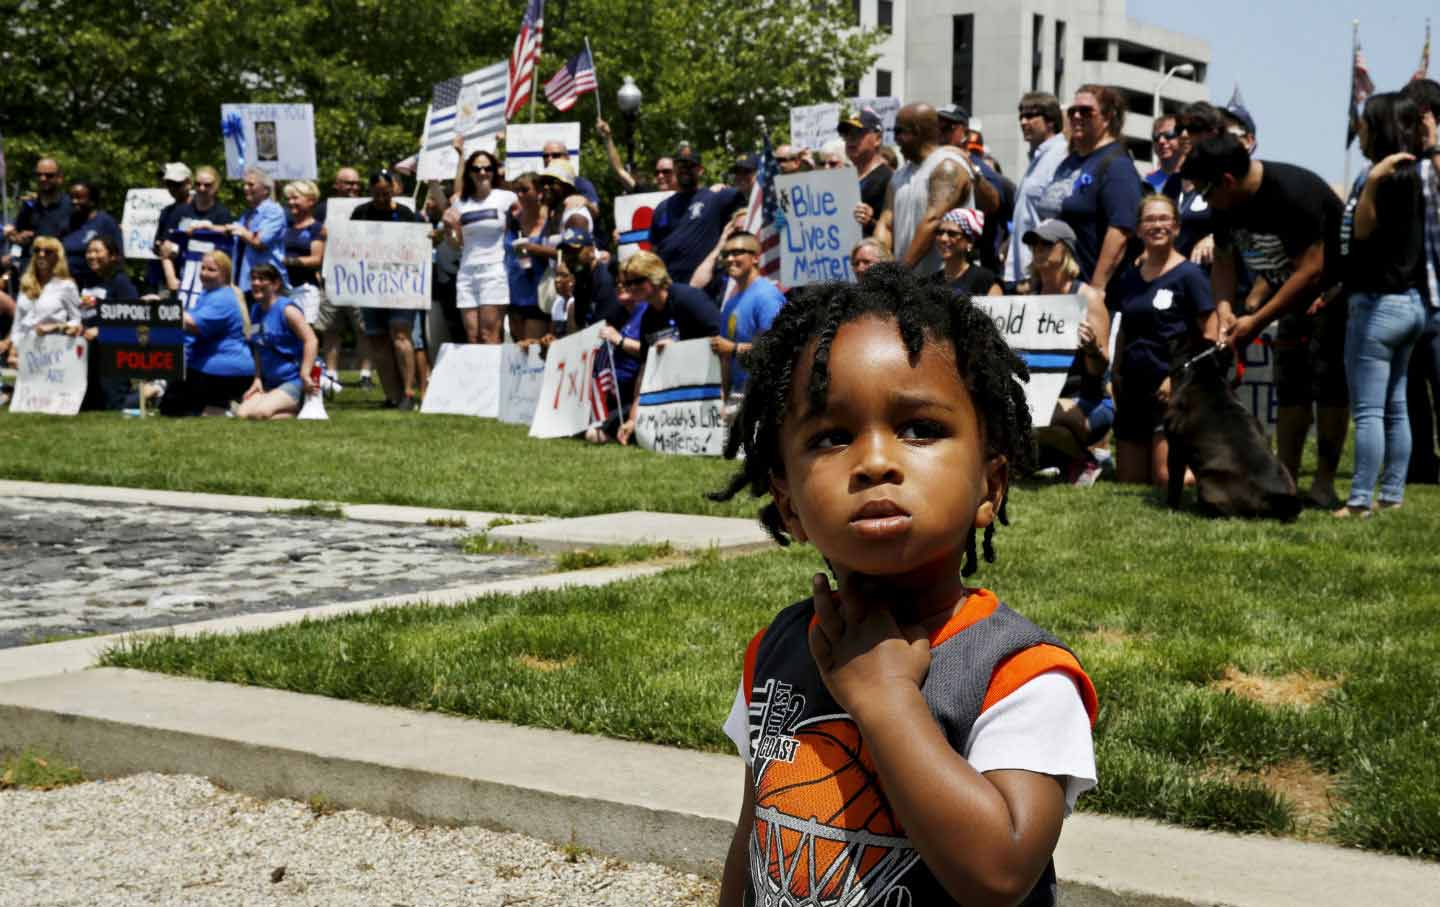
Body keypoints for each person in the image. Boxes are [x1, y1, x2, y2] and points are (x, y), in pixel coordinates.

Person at [710, 265, 1097, 907]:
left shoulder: (1021, 677)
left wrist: (887, 700)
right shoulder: (777, 650)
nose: (876, 461)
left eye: (920, 428)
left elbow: (999, 873)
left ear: (989, 486)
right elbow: (754, 838)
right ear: (788, 505)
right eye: (832, 437)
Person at [1182, 134, 1348, 509]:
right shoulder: (1226, 203)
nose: (1205, 202)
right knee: (1290, 389)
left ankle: (1323, 482)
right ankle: (1286, 478)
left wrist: (1256, 320)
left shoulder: (1292, 193)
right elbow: (1224, 259)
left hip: (1333, 295)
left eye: (1206, 192)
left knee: (1330, 389)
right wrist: (1225, 308)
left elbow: (1312, 270)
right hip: (1285, 298)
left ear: (1226, 180)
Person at [1333, 92, 1428, 518]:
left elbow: (1364, 231)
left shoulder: (1385, 176)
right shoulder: (1413, 174)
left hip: (1378, 306)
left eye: (1365, 123)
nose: (1360, 130)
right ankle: (1391, 495)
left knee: (1370, 410)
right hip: (1408, 304)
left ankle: (1358, 501)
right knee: (1396, 405)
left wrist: (1370, 181)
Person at [1110, 195, 1218, 488]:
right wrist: (1115, 374)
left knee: (1166, 478)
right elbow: (1123, 330)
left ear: (1177, 227)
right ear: (1139, 229)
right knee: (1129, 481)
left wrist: (1179, 378)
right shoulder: (1129, 278)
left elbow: (1209, 334)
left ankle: (1220, 471)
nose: (1157, 225)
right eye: (1150, 219)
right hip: (1133, 387)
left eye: (1164, 219)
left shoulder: (1190, 276)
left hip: (1170, 387)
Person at [1023, 220, 1114, 487]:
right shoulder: (1030, 298)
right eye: (1034, 244)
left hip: (1089, 400)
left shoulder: (1087, 297)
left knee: (1037, 415)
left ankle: (1086, 459)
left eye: (1047, 244)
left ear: (1066, 250)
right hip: (1044, 396)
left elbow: (1100, 367)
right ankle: (1062, 459)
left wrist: (1091, 349)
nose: (1038, 249)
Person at [1035, 85, 1143, 296]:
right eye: (1072, 111)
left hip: (1089, 292)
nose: (1076, 116)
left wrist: (1097, 288)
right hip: (1054, 290)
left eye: (1085, 111)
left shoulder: (1116, 166)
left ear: (1108, 117)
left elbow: (1120, 231)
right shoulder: (1069, 162)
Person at [612, 251, 721, 444]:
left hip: (708, 390)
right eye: (628, 283)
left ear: (654, 277)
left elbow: (721, 340)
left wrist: (679, 349)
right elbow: (646, 370)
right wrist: (632, 419)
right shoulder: (648, 317)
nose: (630, 288)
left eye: (636, 281)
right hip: (674, 399)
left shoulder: (688, 299)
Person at [873, 103, 973, 277]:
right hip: (908, 282)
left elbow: (932, 222)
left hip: (945, 283)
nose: (894, 139)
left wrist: (900, 273)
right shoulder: (898, 176)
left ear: (917, 131)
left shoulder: (947, 167)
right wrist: (878, 267)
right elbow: (886, 224)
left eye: (898, 131)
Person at [353, 169, 422, 409]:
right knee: (378, 339)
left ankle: (408, 392)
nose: (381, 198)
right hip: (371, 286)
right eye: (377, 193)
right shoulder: (360, 213)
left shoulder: (405, 214)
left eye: (386, 192)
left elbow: (416, 245)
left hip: (400, 284)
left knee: (401, 335)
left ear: (394, 189)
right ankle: (392, 395)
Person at [1401, 77, 1440, 484]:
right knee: (1412, 393)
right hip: (1409, 299)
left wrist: (1433, 143)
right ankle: (1422, 465)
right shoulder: (1402, 163)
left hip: (1438, 298)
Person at [161, 251, 253, 416]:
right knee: (170, 406)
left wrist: (161, 308)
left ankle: (227, 407)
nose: (204, 273)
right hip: (204, 365)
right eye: (202, 268)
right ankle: (221, 406)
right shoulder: (207, 294)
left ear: (225, 274)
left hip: (224, 369)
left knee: (177, 408)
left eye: (211, 270)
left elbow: (193, 324)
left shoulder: (223, 298)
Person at [445, 137, 518, 346]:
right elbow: (455, 244)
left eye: (487, 168)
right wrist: (450, 228)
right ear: (469, 173)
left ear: (495, 171)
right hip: (467, 272)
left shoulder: (506, 197)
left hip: (494, 271)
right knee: (472, 336)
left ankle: (493, 379)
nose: (482, 173)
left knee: (489, 336)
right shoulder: (461, 202)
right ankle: (477, 378)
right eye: (476, 169)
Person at [648, 146, 745, 286]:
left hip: (706, 288)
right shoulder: (662, 208)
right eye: (680, 165)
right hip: (670, 289)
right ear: (675, 169)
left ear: (700, 170)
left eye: (690, 165)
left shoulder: (716, 198)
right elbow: (654, 251)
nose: (685, 169)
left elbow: (751, 191)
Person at [236, 263, 318, 420]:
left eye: (261, 279)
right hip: (271, 382)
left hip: (294, 380)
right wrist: (257, 379)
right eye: (253, 279)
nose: (255, 283)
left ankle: (301, 406)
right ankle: (285, 409)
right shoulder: (255, 310)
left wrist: (305, 373)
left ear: (276, 284)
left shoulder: (287, 310)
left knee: (259, 413)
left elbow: (311, 340)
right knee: (242, 413)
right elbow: (258, 347)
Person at [711, 230, 785, 402]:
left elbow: (778, 347)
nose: (729, 259)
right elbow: (725, 357)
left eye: (737, 253)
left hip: (767, 396)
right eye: (726, 254)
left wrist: (734, 349)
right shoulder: (730, 303)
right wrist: (725, 397)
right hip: (739, 398)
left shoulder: (767, 296)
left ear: (755, 258)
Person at [1007, 92, 1070, 293]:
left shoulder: (1060, 154)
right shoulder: (1036, 159)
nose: (1023, 122)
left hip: (1040, 275)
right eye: (1021, 117)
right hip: (1024, 273)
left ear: (1050, 121)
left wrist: (1036, 274)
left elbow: (1055, 218)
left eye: (1031, 116)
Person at [78, 236, 139, 411]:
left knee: (114, 405)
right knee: (90, 405)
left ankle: (153, 390)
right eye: (89, 251)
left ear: (112, 256)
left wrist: (102, 330)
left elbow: (133, 318)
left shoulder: (121, 282)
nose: (91, 255)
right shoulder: (87, 281)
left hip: (112, 352)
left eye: (97, 251)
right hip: (89, 353)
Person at [2, 237, 82, 368]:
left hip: (51, 352)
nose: (41, 254)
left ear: (58, 256)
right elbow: (18, 323)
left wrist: (55, 326)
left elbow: (77, 322)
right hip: (24, 350)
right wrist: (11, 346)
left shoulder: (66, 286)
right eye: (37, 250)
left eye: (48, 251)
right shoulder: (26, 283)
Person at [4, 158, 72, 291]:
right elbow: (17, 238)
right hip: (31, 275)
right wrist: (17, 238)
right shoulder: (29, 206)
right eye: (39, 175)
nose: (43, 178)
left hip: (59, 275)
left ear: (60, 178)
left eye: (49, 175)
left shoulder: (70, 207)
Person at [227, 168, 289, 292]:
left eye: (251, 184)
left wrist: (241, 231)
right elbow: (232, 230)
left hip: (267, 284)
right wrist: (207, 226)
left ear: (266, 189)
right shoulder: (248, 213)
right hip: (247, 282)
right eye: (244, 184)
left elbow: (259, 242)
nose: (245, 188)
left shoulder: (274, 211)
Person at [506, 172, 550, 343]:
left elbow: (558, 255)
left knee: (533, 352)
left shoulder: (548, 221)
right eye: (517, 191)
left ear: (538, 191)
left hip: (536, 295)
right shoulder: (512, 220)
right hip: (514, 294)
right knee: (517, 353)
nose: (520, 195)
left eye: (525, 190)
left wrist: (534, 249)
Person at [59, 181, 124, 287]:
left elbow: (118, 257)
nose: (74, 201)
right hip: (67, 285)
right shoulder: (66, 224)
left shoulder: (105, 222)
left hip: (97, 286)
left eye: (79, 197)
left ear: (92, 201)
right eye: (72, 197)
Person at [841, 107, 893, 238]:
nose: (850, 138)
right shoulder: (842, 178)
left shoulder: (890, 179)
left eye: (858, 132)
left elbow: (896, 232)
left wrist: (870, 222)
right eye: (846, 133)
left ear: (877, 139)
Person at [281, 181, 325, 324]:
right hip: (284, 288)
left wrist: (289, 261)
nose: (290, 202)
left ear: (311, 200)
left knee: (306, 332)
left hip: (305, 290)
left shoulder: (316, 228)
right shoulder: (286, 227)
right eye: (288, 199)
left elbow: (316, 260)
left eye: (295, 198)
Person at [933, 208, 1001, 297]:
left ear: (970, 242)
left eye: (952, 234)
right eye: (940, 232)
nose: (943, 238)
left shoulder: (985, 281)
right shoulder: (932, 282)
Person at [596, 118, 675, 193]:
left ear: (677, 173)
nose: (660, 176)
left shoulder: (687, 195)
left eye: (666, 171)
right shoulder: (646, 194)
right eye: (657, 173)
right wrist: (607, 137)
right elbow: (619, 170)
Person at [147, 163, 192, 292]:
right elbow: (159, 244)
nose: (173, 188)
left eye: (177, 184)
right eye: (169, 184)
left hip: (188, 276)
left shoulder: (197, 210)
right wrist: (159, 246)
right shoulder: (166, 211)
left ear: (188, 183)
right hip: (164, 279)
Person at [1145, 115, 1182, 193]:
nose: (1161, 140)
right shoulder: (1147, 183)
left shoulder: (1195, 181)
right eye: (1156, 136)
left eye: (1169, 134)